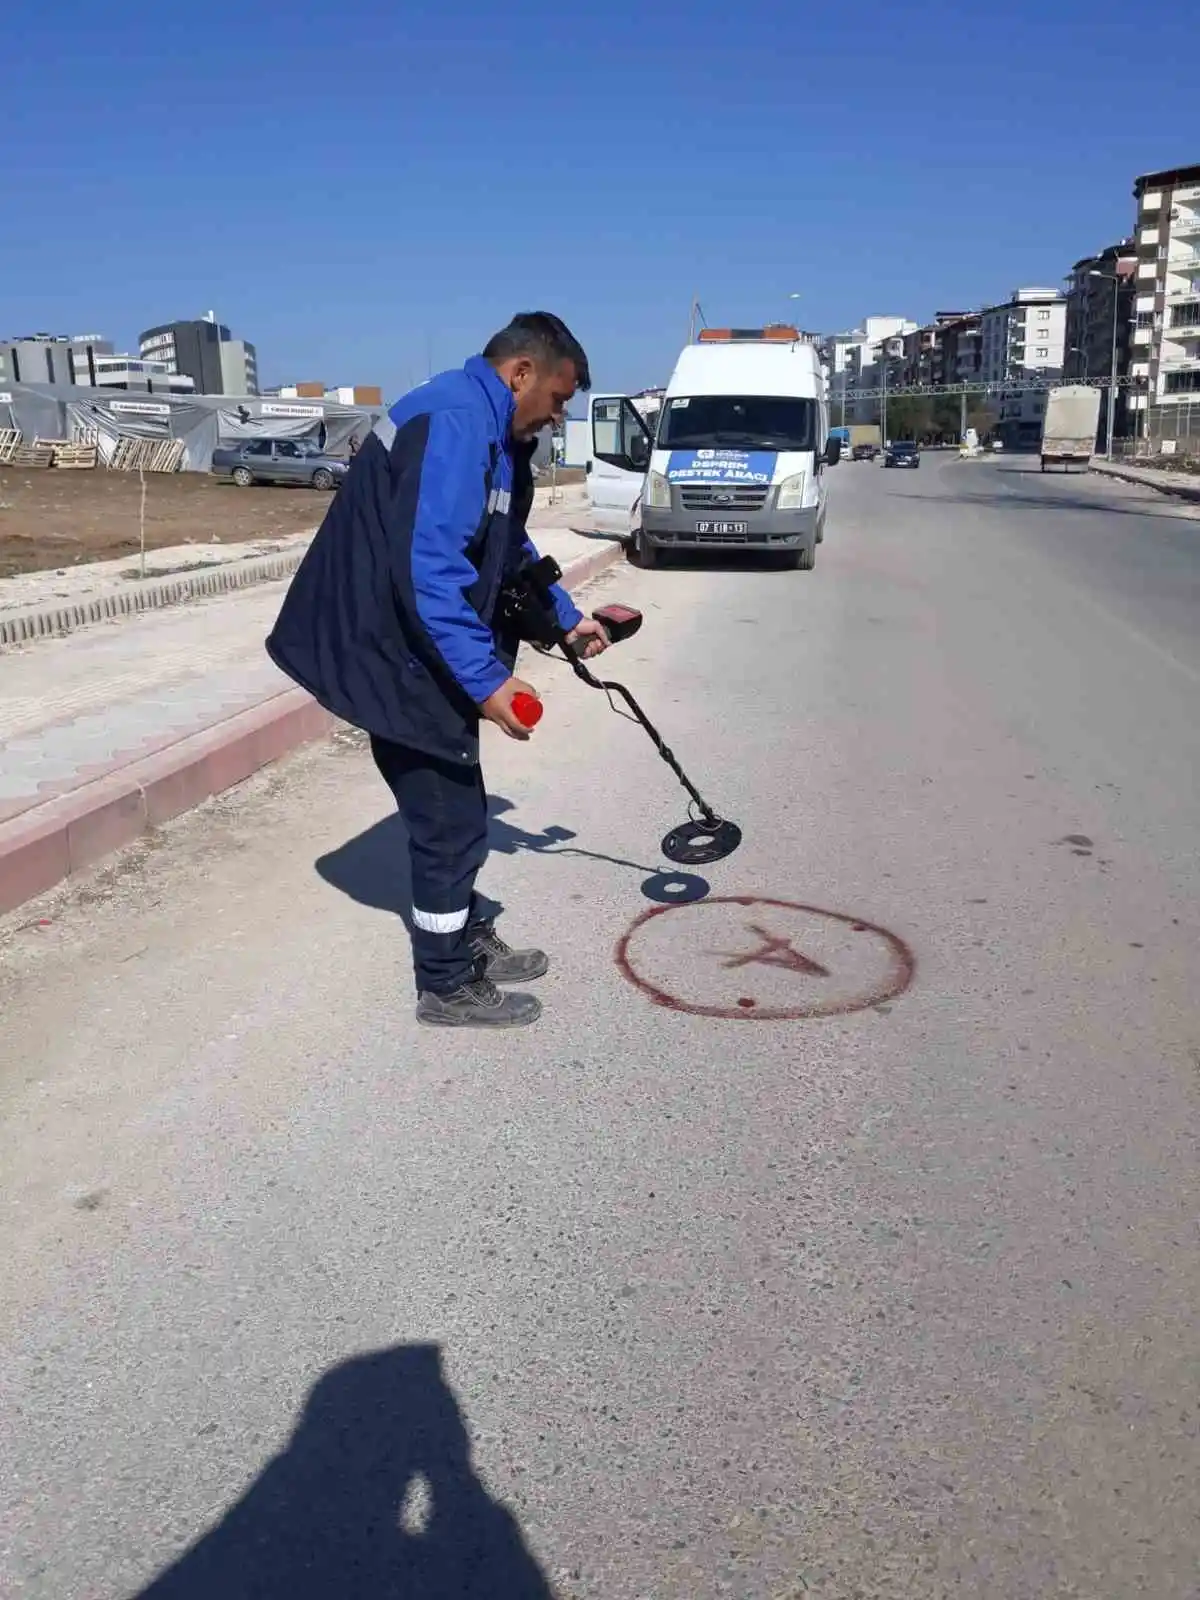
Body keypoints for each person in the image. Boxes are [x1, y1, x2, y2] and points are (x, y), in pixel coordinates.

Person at [266, 313, 608, 1029]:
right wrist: (488, 684)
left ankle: (463, 929)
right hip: (393, 649)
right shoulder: (455, 420)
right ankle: (445, 982)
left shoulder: (489, 429)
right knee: (449, 823)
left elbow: (501, 548)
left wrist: (564, 616)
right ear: (520, 374)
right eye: (556, 396)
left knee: (460, 808)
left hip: (415, 645)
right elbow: (429, 574)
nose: (558, 415)